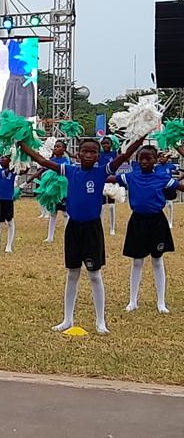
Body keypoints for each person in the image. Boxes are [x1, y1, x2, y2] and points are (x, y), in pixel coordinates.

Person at [17, 135, 144, 334]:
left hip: (92, 229)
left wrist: (140, 138)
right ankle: (67, 319)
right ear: (78, 154)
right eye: (85, 151)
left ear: (98, 156)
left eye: (93, 152)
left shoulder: (102, 171)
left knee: (94, 275)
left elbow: (125, 155)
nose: (89, 155)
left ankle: (100, 321)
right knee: (72, 274)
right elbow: (42, 161)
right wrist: (22, 144)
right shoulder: (70, 170)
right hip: (73, 228)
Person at [115, 145, 181, 313]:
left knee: (157, 260)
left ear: (155, 160)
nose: (144, 161)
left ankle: (161, 302)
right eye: (141, 158)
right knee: (137, 261)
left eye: (148, 158)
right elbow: (109, 178)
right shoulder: (131, 176)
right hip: (137, 221)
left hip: (157, 222)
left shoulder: (162, 177)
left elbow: (179, 188)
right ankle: (133, 301)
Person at [98, 137, 118, 236]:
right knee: (101, 206)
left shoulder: (114, 154)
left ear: (111, 144)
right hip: (101, 180)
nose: (105, 145)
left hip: (111, 181)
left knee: (111, 205)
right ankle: (100, 226)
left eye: (107, 143)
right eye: (103, 144)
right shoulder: (99, 154)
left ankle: (112, 228)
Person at [0, 155, 17, 253]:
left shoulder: (14, 171)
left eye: (5, 158)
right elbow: (5, 173)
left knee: (10, 222)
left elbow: (24, 170)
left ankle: (9, 246)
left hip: (8, 199)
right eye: (2, 157)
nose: (2, 159)